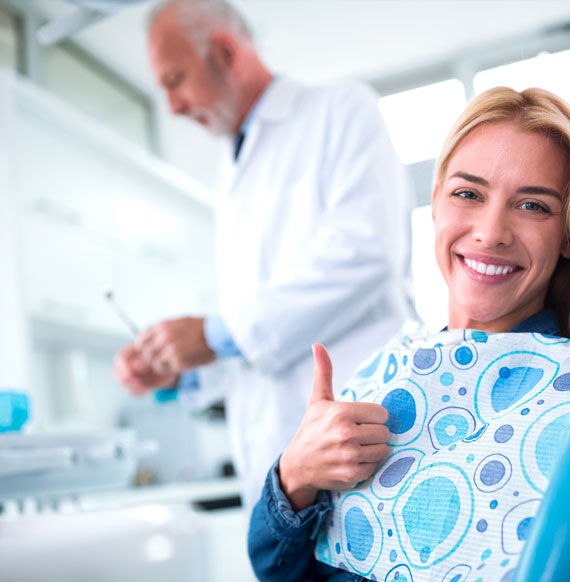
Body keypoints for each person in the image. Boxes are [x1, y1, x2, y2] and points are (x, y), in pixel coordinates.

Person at [246, 86, 570, 582]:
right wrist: (295, 475)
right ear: (435, 204)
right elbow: (277, 574)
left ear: (568, 235)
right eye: (468, 193)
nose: (491, 232)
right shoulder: (387, 371)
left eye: (533, 205)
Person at [112, 0, 414, 510]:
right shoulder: (230, 174)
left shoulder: (340, 111)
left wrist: (209, 335)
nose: (173, 107)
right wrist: (182, 365)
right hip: (278, 470)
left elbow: (365, 252)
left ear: (226, 52)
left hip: (358, 447)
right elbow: (258, 333)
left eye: (175, 79)